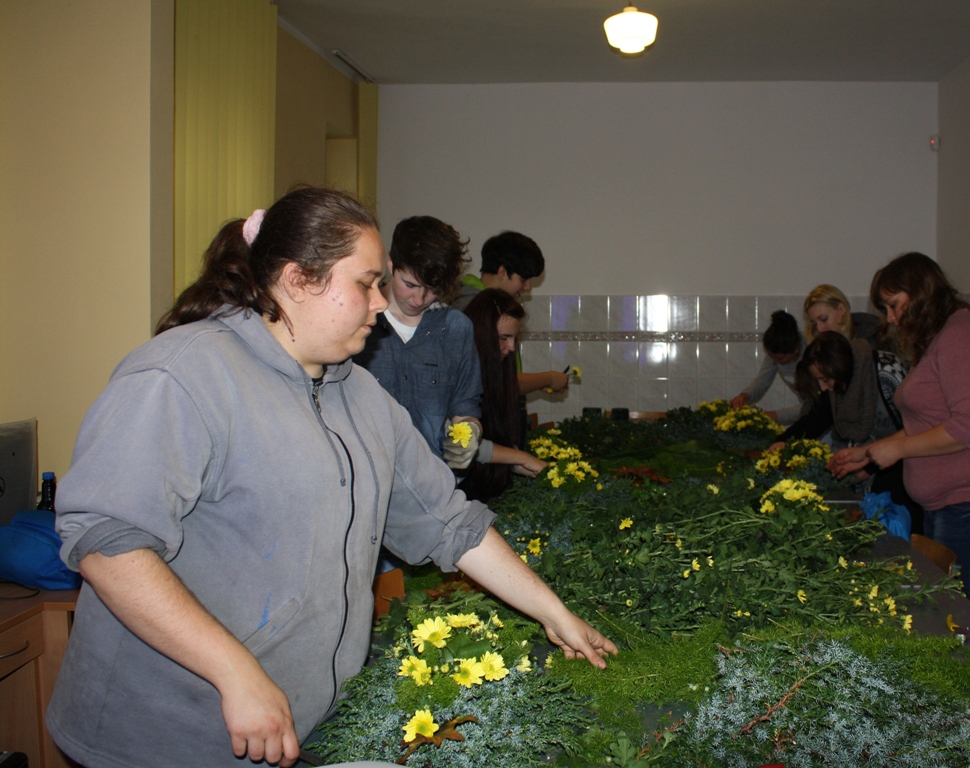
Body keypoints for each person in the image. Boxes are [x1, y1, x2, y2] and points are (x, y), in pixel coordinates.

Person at [47, 187, 617, 768]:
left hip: (300, 727)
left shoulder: (358, 394)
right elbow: (108, 543)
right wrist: (234, 669)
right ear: (298, 280)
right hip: (162, 738)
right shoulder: (184, 374)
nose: (380, 303)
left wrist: (554, 613)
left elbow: (450, 523)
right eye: (366, 284)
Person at [828, 252, 970, 613]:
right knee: (947, 611)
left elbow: (969, 426)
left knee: (962, 617)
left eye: (894, 305)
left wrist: (896, 451)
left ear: (921, 293)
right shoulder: (942, 337)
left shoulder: (964, 334)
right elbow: (926, 423)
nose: (890, 317)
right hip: (957, 501)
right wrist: (869, 453)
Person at [353, 215, 483, 470]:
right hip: (366, 475)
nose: (419, 299)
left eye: (432, 289)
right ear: (391, 264)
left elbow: (465, 404)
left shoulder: (455, 329)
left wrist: (471, 432)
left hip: (431, 477)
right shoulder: (359, 320)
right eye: (410, 285)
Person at [770, 331, 921, 532]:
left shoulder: (886, 372)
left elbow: (915, 429)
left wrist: (870, 467)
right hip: (868, 476)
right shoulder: (838, 381)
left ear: (838, 367)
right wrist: (784, 440)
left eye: (825, 379)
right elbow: (818, 417)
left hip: (902, 478)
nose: (823, 387)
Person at [453, 230, 568, 399]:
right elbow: (493, 379)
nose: (528, 287)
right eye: (524, 279)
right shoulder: (473, 307)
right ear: (502, 272)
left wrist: (536, 383)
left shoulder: (490, 305)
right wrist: (548, 378)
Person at [460, 289, 551, 501]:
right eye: (504, 338)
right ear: (480, 334)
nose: (511, 347)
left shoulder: (494, 372)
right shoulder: (457, 373)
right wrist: (520, 458)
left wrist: (517, 464)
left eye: (514, 339)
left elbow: (493, 435)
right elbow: (461, 441)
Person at [729, 310, 806, 423]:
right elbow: (761, 382)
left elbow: (816, 405)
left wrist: (772, 416)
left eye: (780, 358)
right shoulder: (775, 354)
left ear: (795, 349)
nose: (775, 362)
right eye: (772, 357)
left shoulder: (811, 352)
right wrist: (745, 396)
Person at [803, 283, 885, 350]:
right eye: (814, 324)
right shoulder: (815, 346)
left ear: (841, 309)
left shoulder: (873, 340)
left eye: (824, 319)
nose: (819, 329)